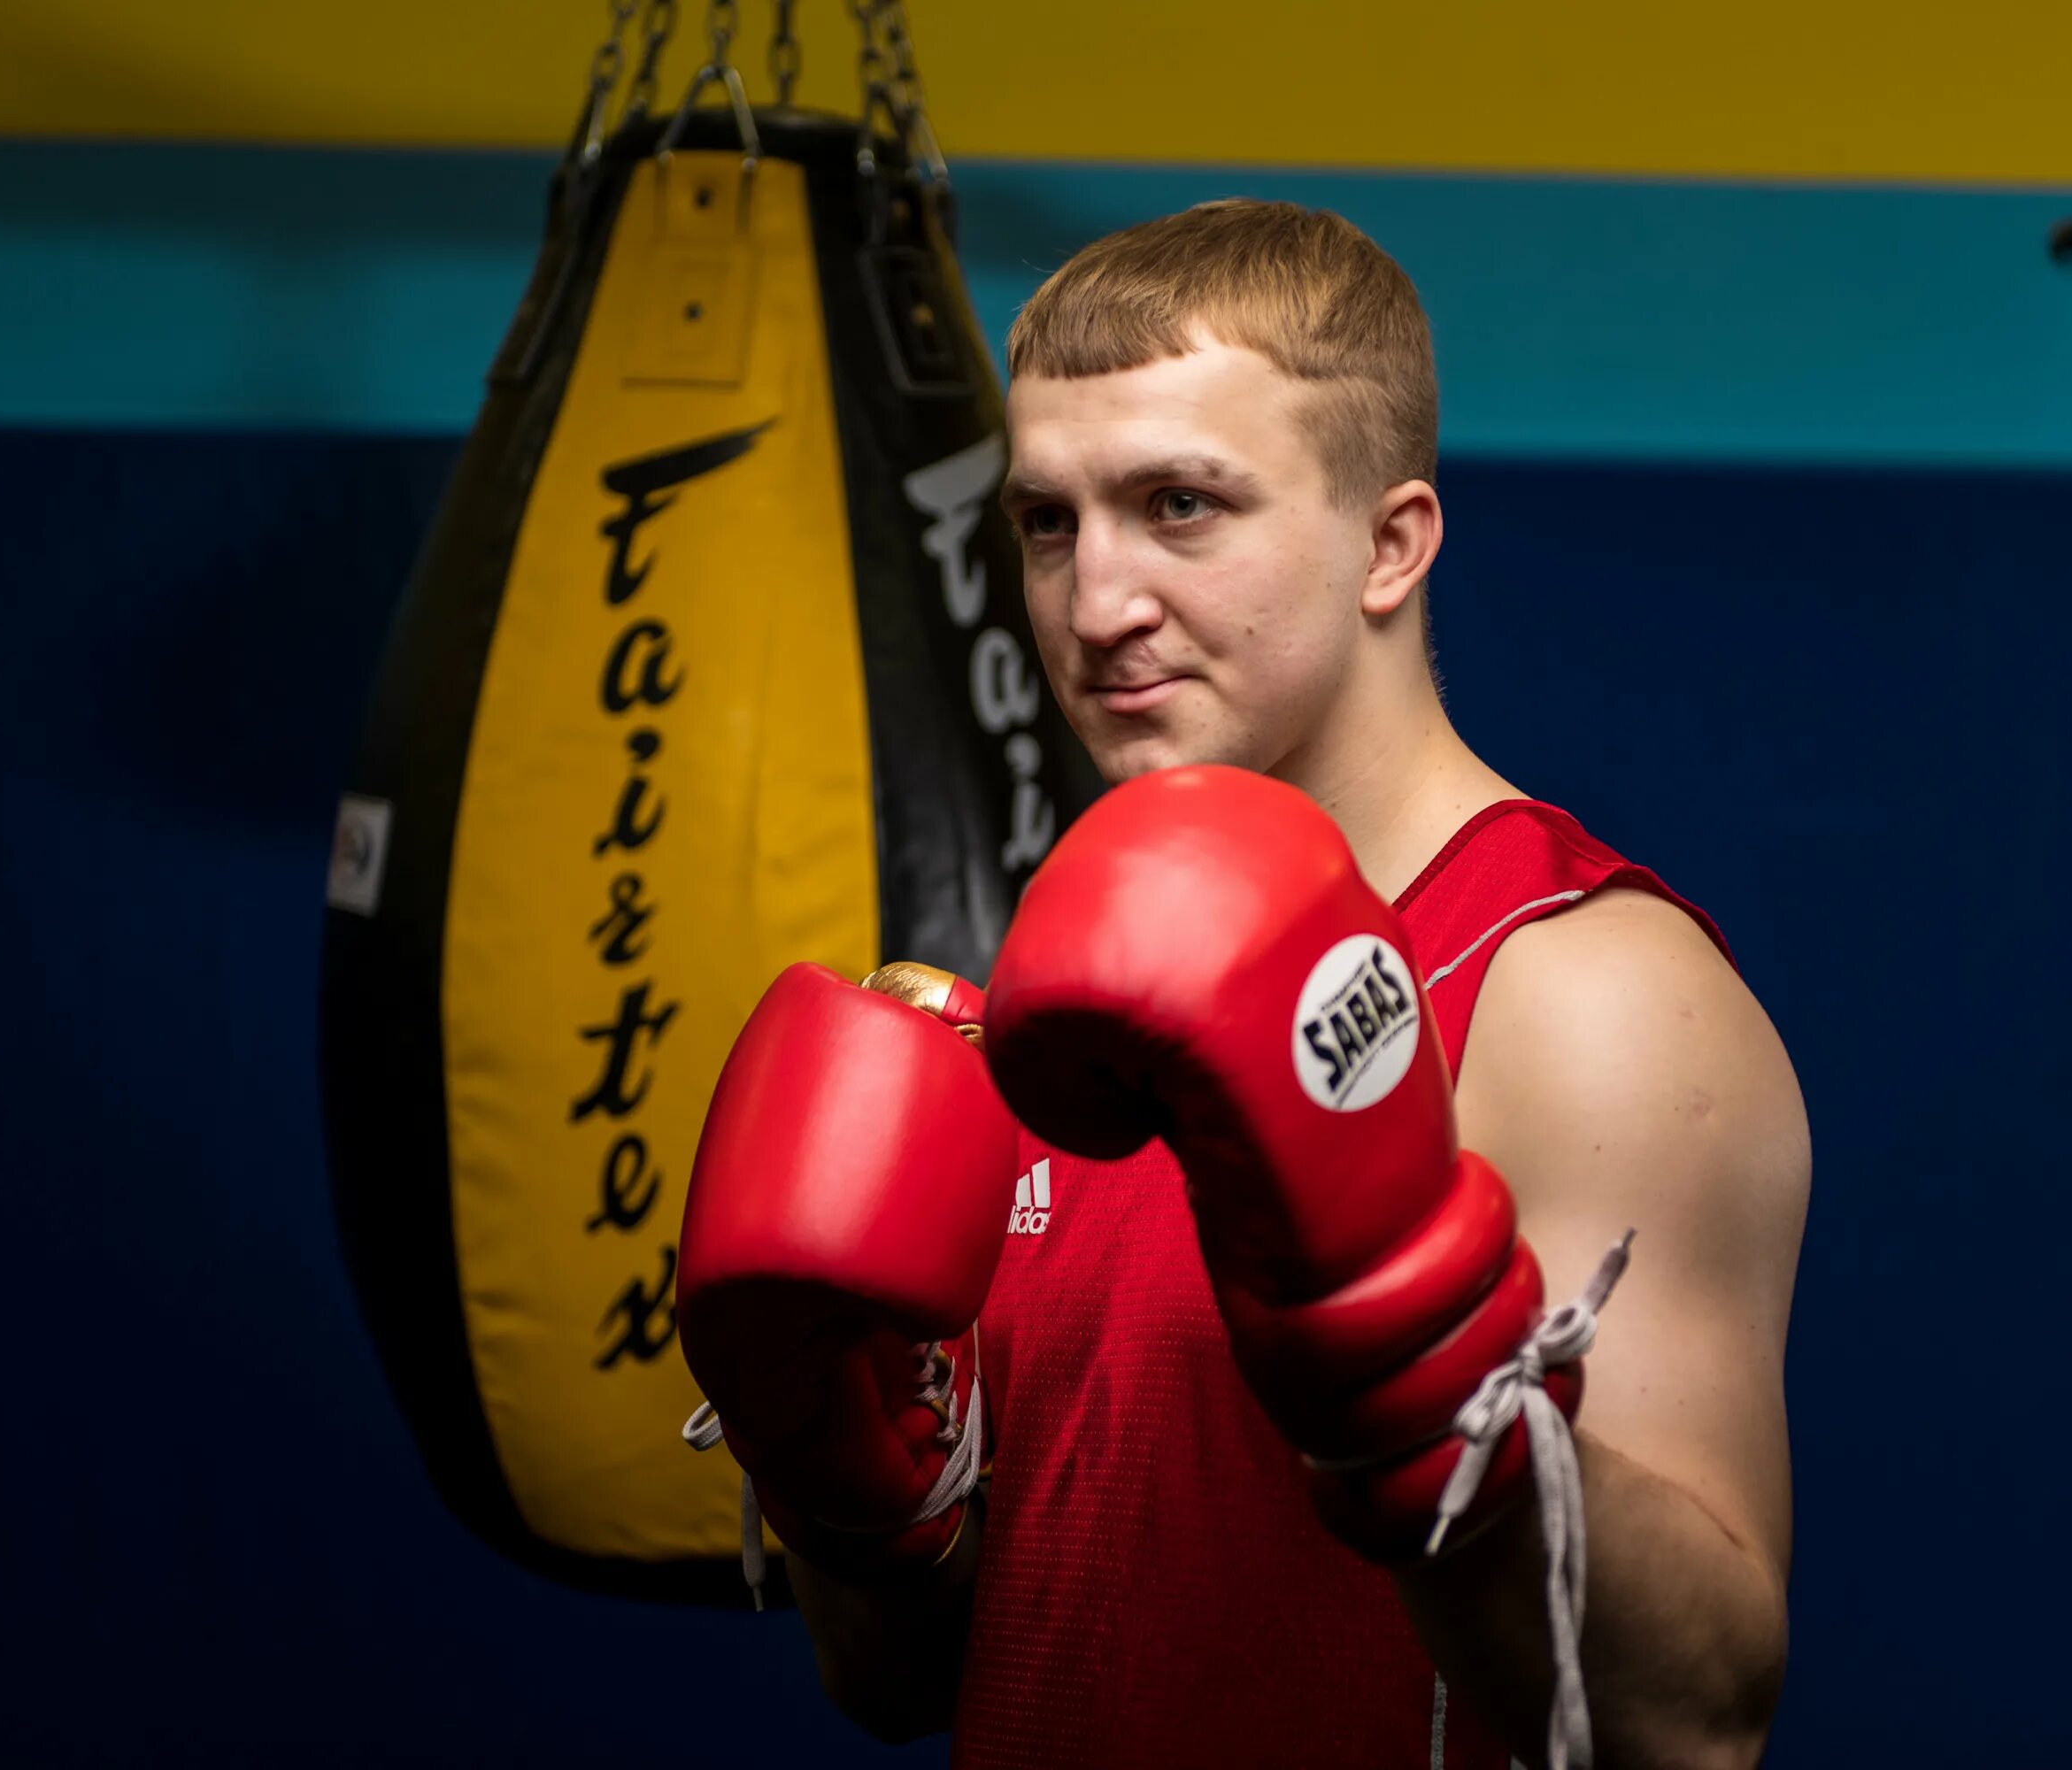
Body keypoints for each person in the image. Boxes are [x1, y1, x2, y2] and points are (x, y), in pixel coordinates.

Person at [677, 199, 1809, 1770]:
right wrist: (840, 1468)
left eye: (1181, 506)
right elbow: (911, 1686)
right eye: (1051, 521)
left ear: (1391, 543)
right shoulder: (1054, 1026)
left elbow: (1693, 1724)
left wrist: (1421, 1379)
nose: (1095, 605)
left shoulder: (1581, 988)